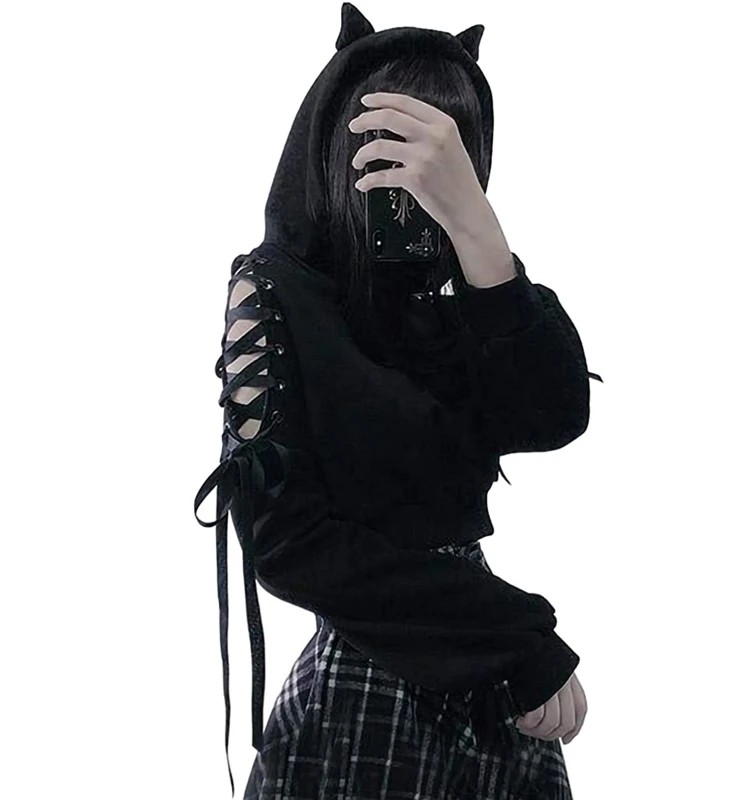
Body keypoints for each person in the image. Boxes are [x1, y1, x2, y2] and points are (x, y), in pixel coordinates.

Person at [193, 4, 603, 798]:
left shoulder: (464, 293)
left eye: (447, 154)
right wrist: (516, 636)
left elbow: (553, 415)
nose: (413, 175)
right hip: (374, 683)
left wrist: (479, 233)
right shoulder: (277, 288)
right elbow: (289, 541)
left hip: (492, 686)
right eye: (389, 143)